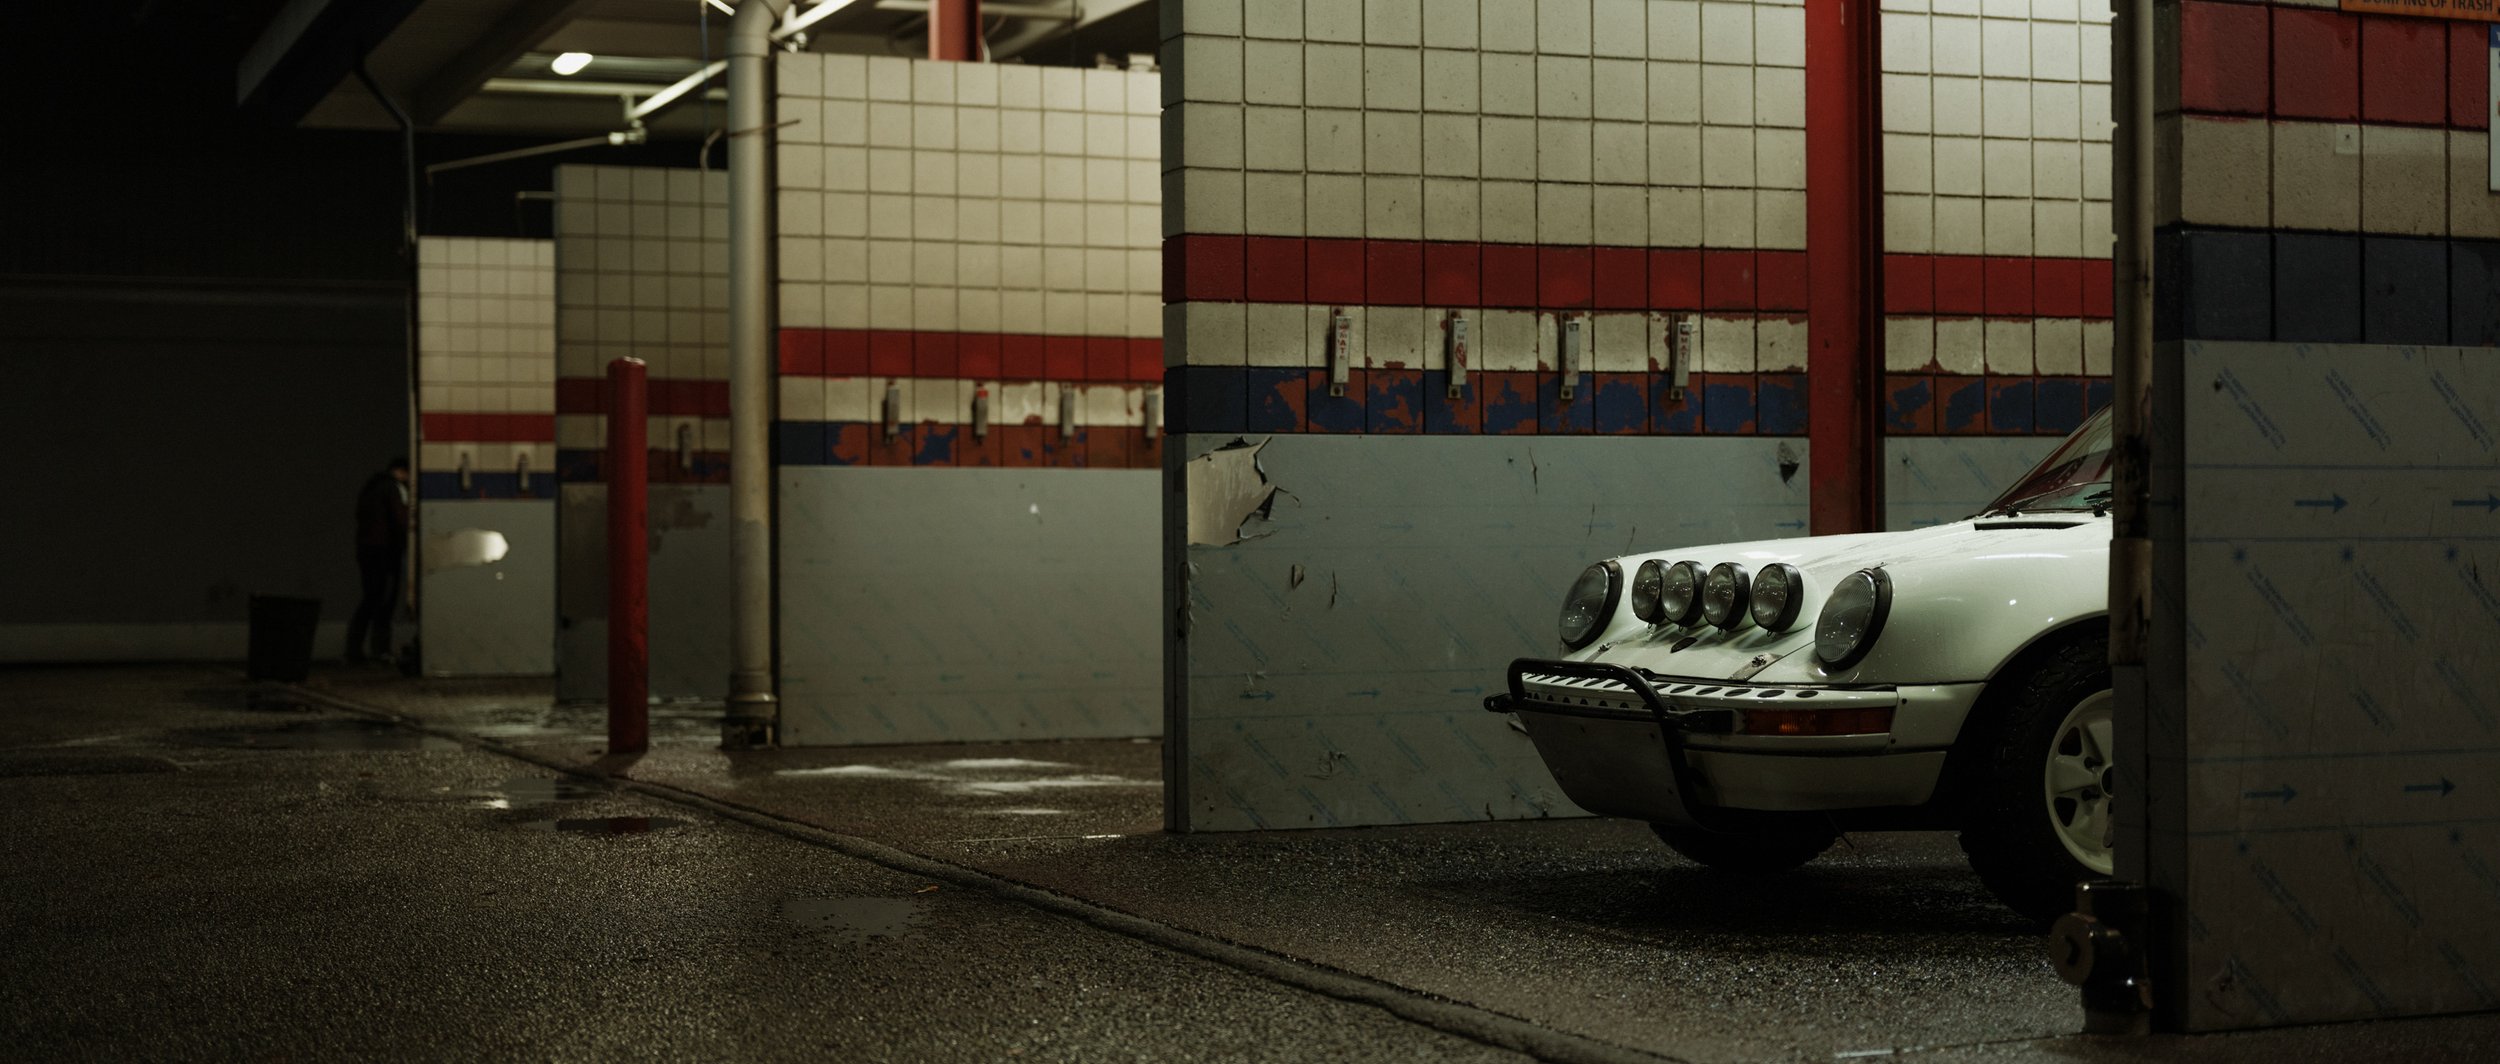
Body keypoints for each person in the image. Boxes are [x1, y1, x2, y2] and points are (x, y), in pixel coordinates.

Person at [345, 457, 411, 663]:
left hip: (367, 549)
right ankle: (380, 650)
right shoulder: (394, 488)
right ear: (401, 471)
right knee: (385, 600)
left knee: (371, 598)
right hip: (386, 550)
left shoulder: (371, 487)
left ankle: (354, 650)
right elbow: (400, 520)